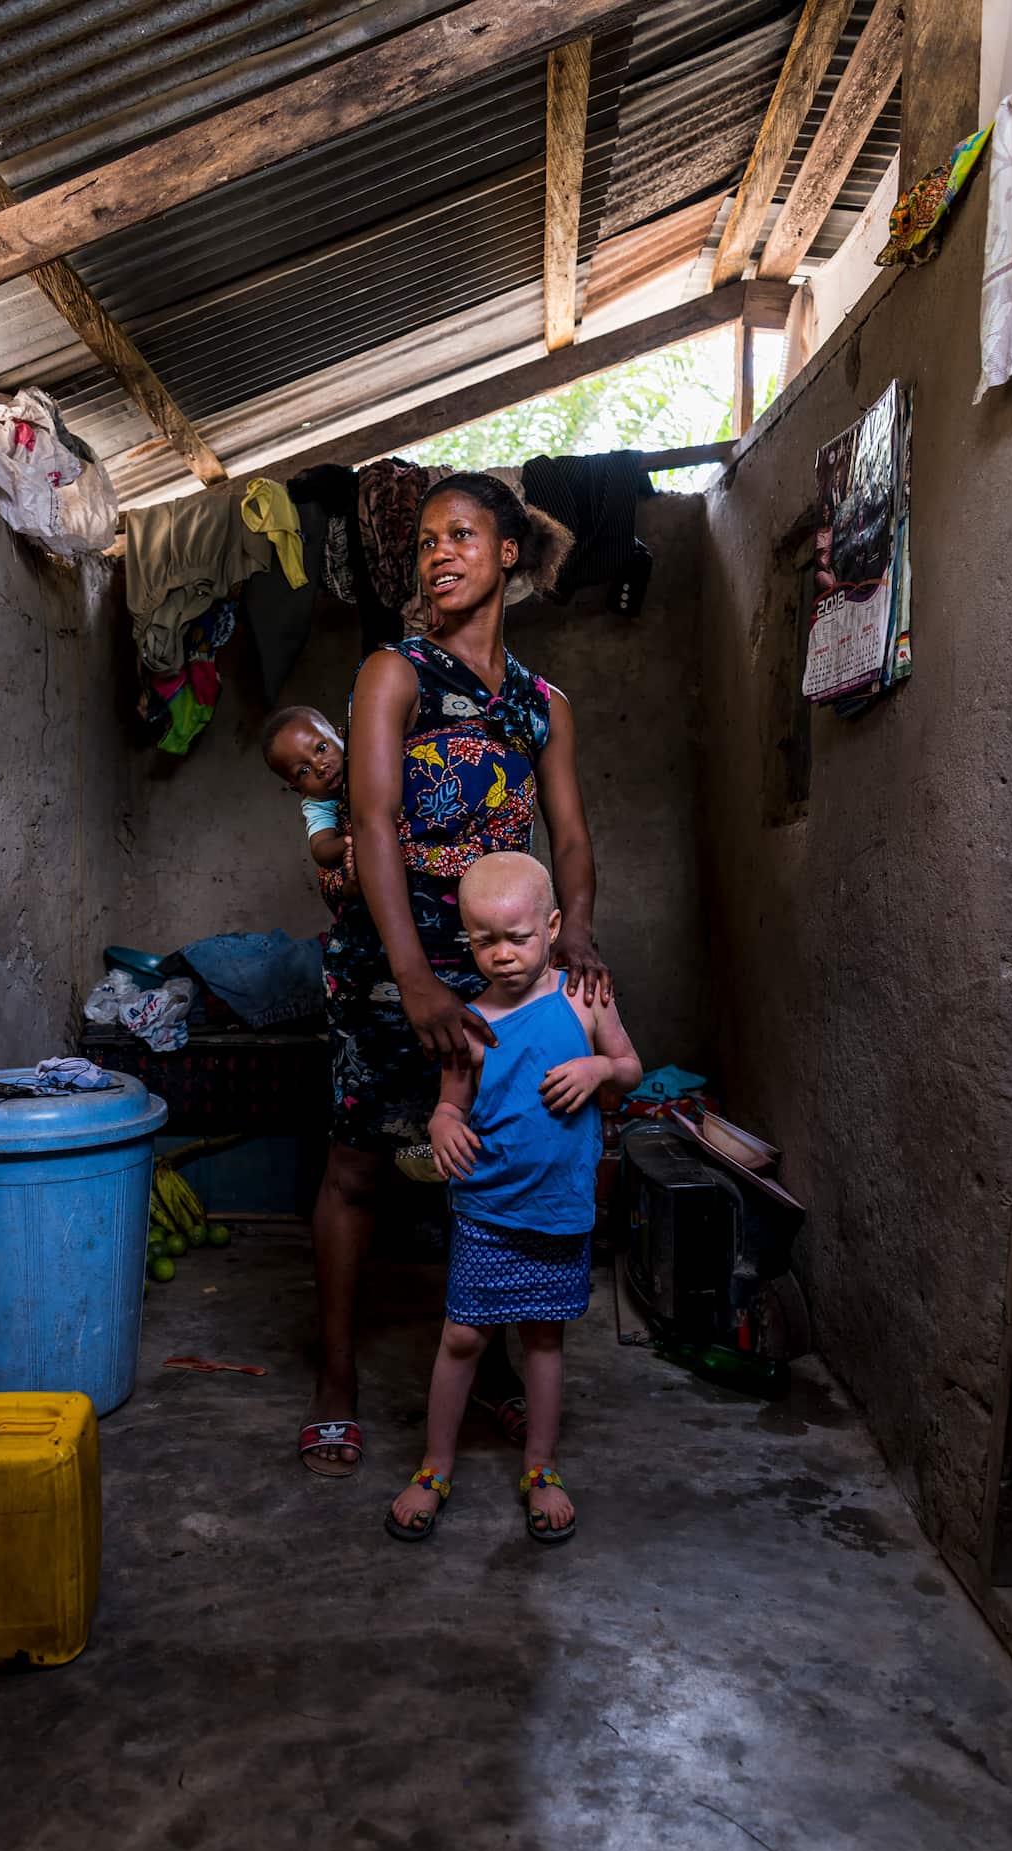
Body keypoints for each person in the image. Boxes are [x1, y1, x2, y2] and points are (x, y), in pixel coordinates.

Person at [299, 470, 612, 1477]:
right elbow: (372, 820)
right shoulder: (394, 673)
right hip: (390, 957)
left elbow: (569, 835)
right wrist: (413, 977)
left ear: (507, 553)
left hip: (500, 975)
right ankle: (336, 1383)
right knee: (358, 1164)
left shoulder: (541, 706)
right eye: (428, 539)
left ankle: (495, 1368)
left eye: (462, 535)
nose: (439, 552)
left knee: (493, 1160)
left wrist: (576, 932)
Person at [386, 852, 641, 1543]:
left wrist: (598, 1067)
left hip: (557, 1209)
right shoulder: (467, 1022)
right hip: (488, 1208)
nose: (502, 954)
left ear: (552, 928)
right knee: (463, 1335)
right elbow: (450, 1104)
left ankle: (540, 1467)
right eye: (484, 940)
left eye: (519, 938)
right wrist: (442, 1125)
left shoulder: (586, 1000)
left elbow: (630, 1068)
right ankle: (436, 1465)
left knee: (543, 1340)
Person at [261, 703, 357, 895]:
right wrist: (350, 841)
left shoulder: (363, 752)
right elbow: (321, 850)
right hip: (355, 847)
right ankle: (353, 889)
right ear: (298, 789)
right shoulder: (317, 803)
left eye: (321, 748)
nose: (319, 767)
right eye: (303, 771)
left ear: (341, 735)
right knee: (331, 879)